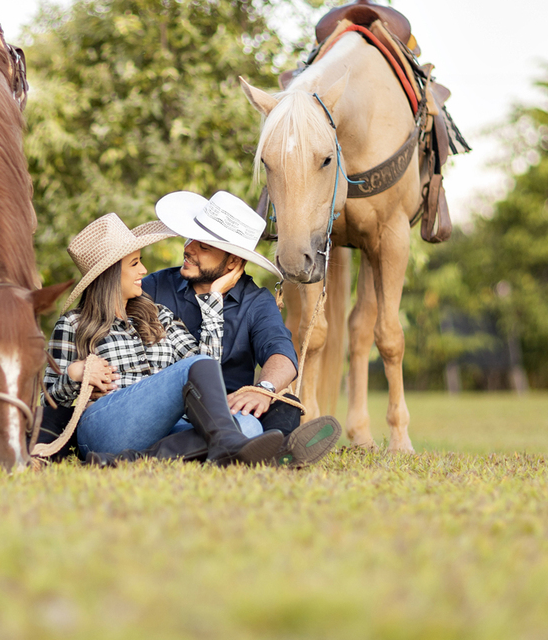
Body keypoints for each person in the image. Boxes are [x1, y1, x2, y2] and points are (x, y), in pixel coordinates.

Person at [43, 213, 285, 466]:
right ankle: (225, 445)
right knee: (233, 425)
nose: (144, 271)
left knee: (248, 426)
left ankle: (131, 461)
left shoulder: (159, 316)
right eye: (134, 264)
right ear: (110, 273)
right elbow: (46, 402)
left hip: (165, 429)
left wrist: (214, 298)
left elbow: (206, 367)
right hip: (105, 426)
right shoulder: (73, 324)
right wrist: (74, 376)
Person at [140, 190, 341, 467]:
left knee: (285, 404)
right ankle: (266, 449)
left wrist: (263, 388)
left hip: (234, 409)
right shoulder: (155, 287)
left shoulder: (256, 302)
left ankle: (259, 448)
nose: (188, 248)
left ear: (233, 261)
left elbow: (281, 353)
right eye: (191, 238)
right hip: (169, 412)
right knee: (247, 428)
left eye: (204, 246)